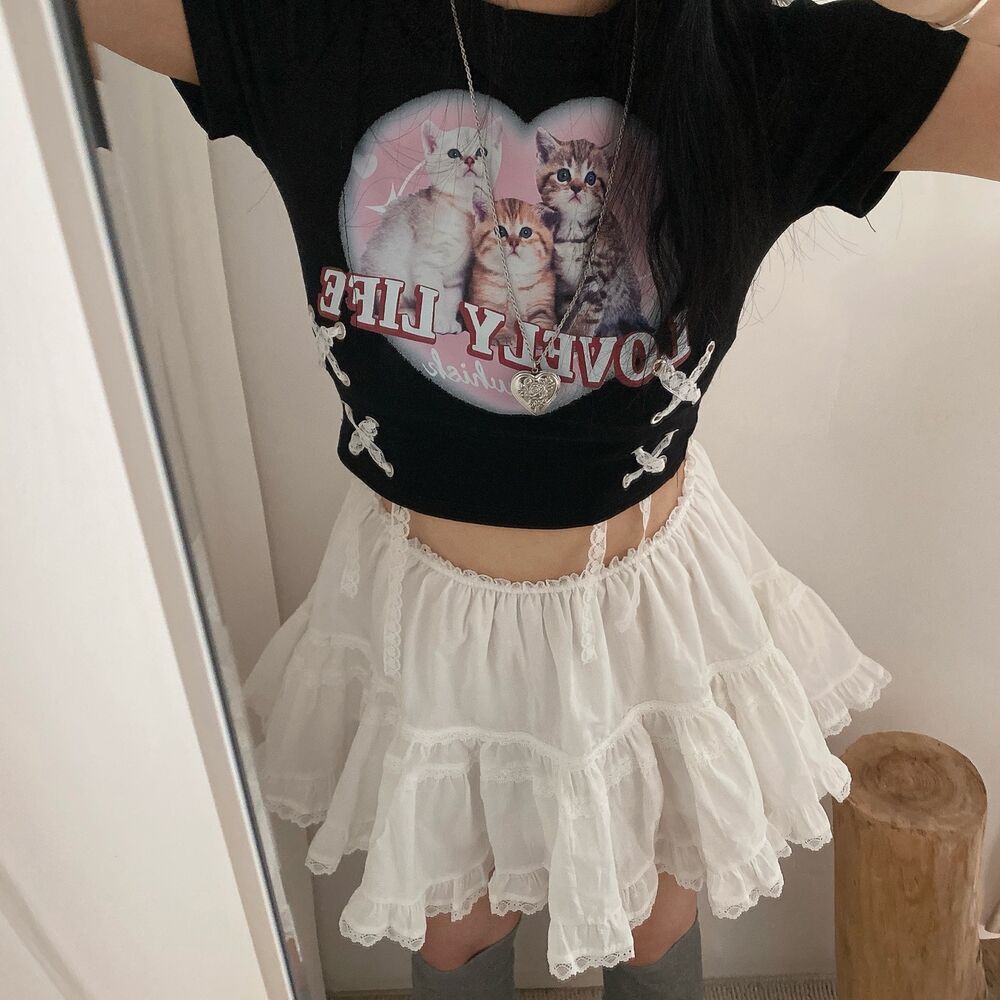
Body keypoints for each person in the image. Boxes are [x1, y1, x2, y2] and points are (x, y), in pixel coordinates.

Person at [79, 1, 999, 996]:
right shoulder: (317, 29)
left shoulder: (762, 59)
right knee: (457, 926)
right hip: (432, 623)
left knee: (653, 917)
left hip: (643, 613)